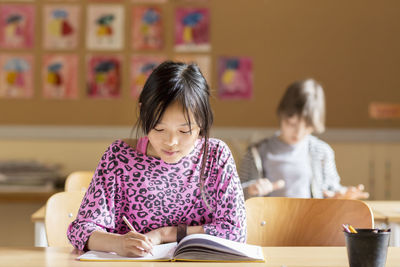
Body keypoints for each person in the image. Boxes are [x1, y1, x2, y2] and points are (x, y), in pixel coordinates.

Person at [67, 61, 246, 256]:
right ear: (144, 113)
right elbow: (80, 230)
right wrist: (118, 244)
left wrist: (165, 234)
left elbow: (235, 231)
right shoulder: (119, 157)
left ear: (202, 121)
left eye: (184, 131)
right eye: (159, 129)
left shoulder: (216, 156)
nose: (172, 142)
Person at [239, 78, 369, 200]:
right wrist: (251, 190)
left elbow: (332, 189)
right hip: (269, 222)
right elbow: (234, 195)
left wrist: (342, 194)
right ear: (282, 115)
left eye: (307, 126)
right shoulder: (257, 152)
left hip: (311, 220)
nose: (298, 133)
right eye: (292, 124)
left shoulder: (322, 152)